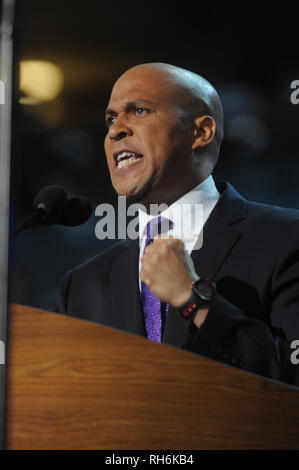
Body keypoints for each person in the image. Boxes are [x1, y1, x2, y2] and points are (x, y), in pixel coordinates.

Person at [57, 63, 299, 386]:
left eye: (139, 111)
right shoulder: (82, 286)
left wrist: (194, 299)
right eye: (111, 119)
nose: (116, 130)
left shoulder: (285, 238)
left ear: (201, 132)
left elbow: (290, 376)